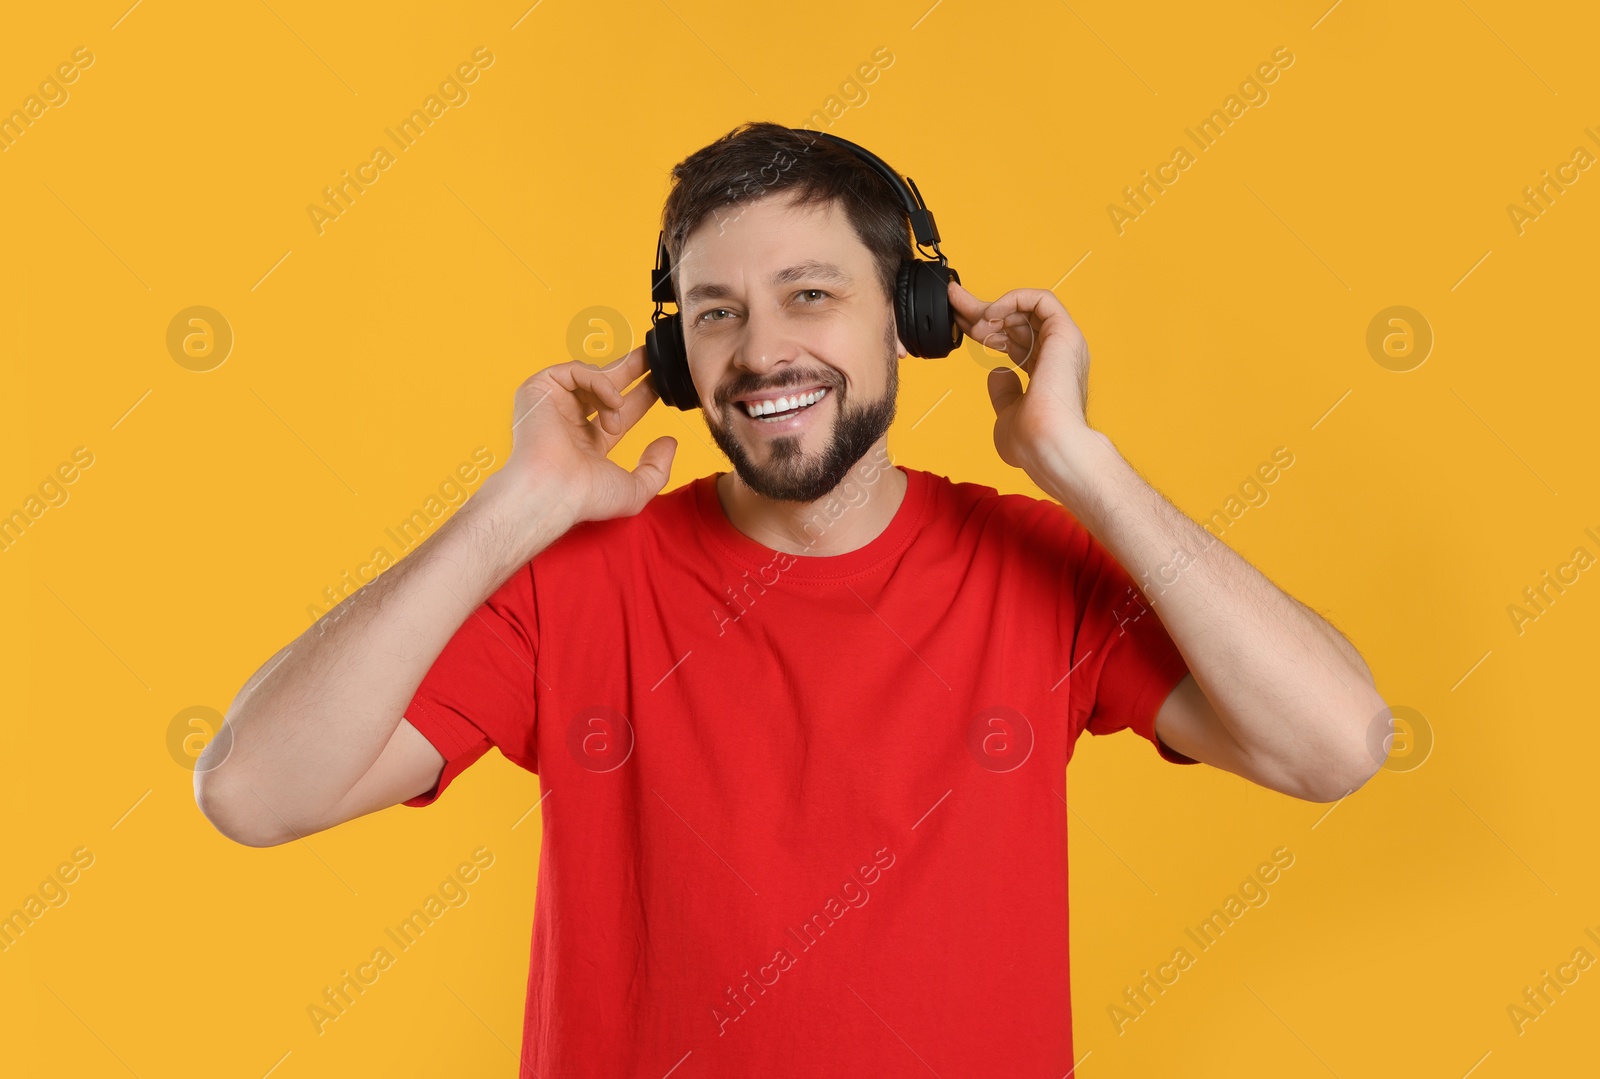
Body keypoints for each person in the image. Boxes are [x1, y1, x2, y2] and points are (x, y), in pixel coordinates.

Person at [195, 121, 1389, 1076]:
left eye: (810, 295)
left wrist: (1083, 464)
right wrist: (516, 507)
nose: (760, 349)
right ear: (675, 359)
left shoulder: (1033, 562)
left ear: (913, 320)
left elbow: (1335, 744)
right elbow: (253, 791)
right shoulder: (574, 585)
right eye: (716, 311)